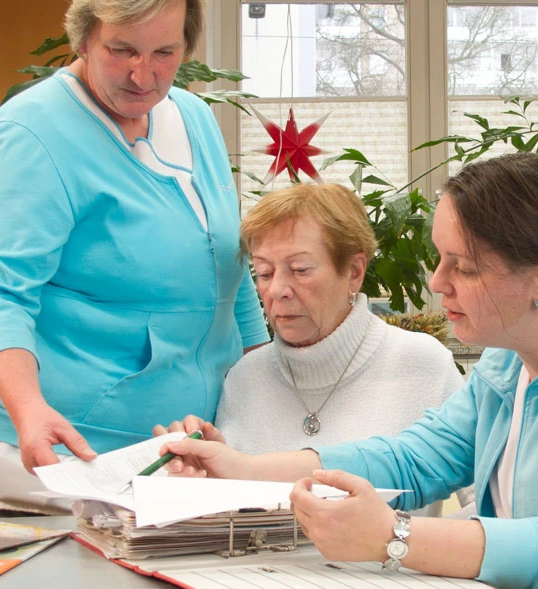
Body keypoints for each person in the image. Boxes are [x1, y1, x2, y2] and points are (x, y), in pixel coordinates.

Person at [159, 154, 538, 589]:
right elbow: (413, 458)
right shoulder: (506, 358)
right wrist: (245, 469)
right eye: (440, 258)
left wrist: (393, 537)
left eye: (463, 267)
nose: (438, 282)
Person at [0, 0, 269, 514]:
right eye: (121, 50)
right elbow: (0, 299)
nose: (142, 75)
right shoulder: (29, 136)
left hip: (175, 444)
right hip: (60, 447)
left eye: (164, 52)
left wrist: (266, 381)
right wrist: (29, 409)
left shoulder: (192, 117)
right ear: (83, 40)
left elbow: (226, 274)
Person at [155, 182, 469, 515]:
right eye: (263, 272)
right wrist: (204, 480)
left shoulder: (424, 365)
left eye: (300, 270)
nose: (276, 289)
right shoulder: (244, 378)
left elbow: (491, 507)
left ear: (354, 272)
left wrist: (408, 546)